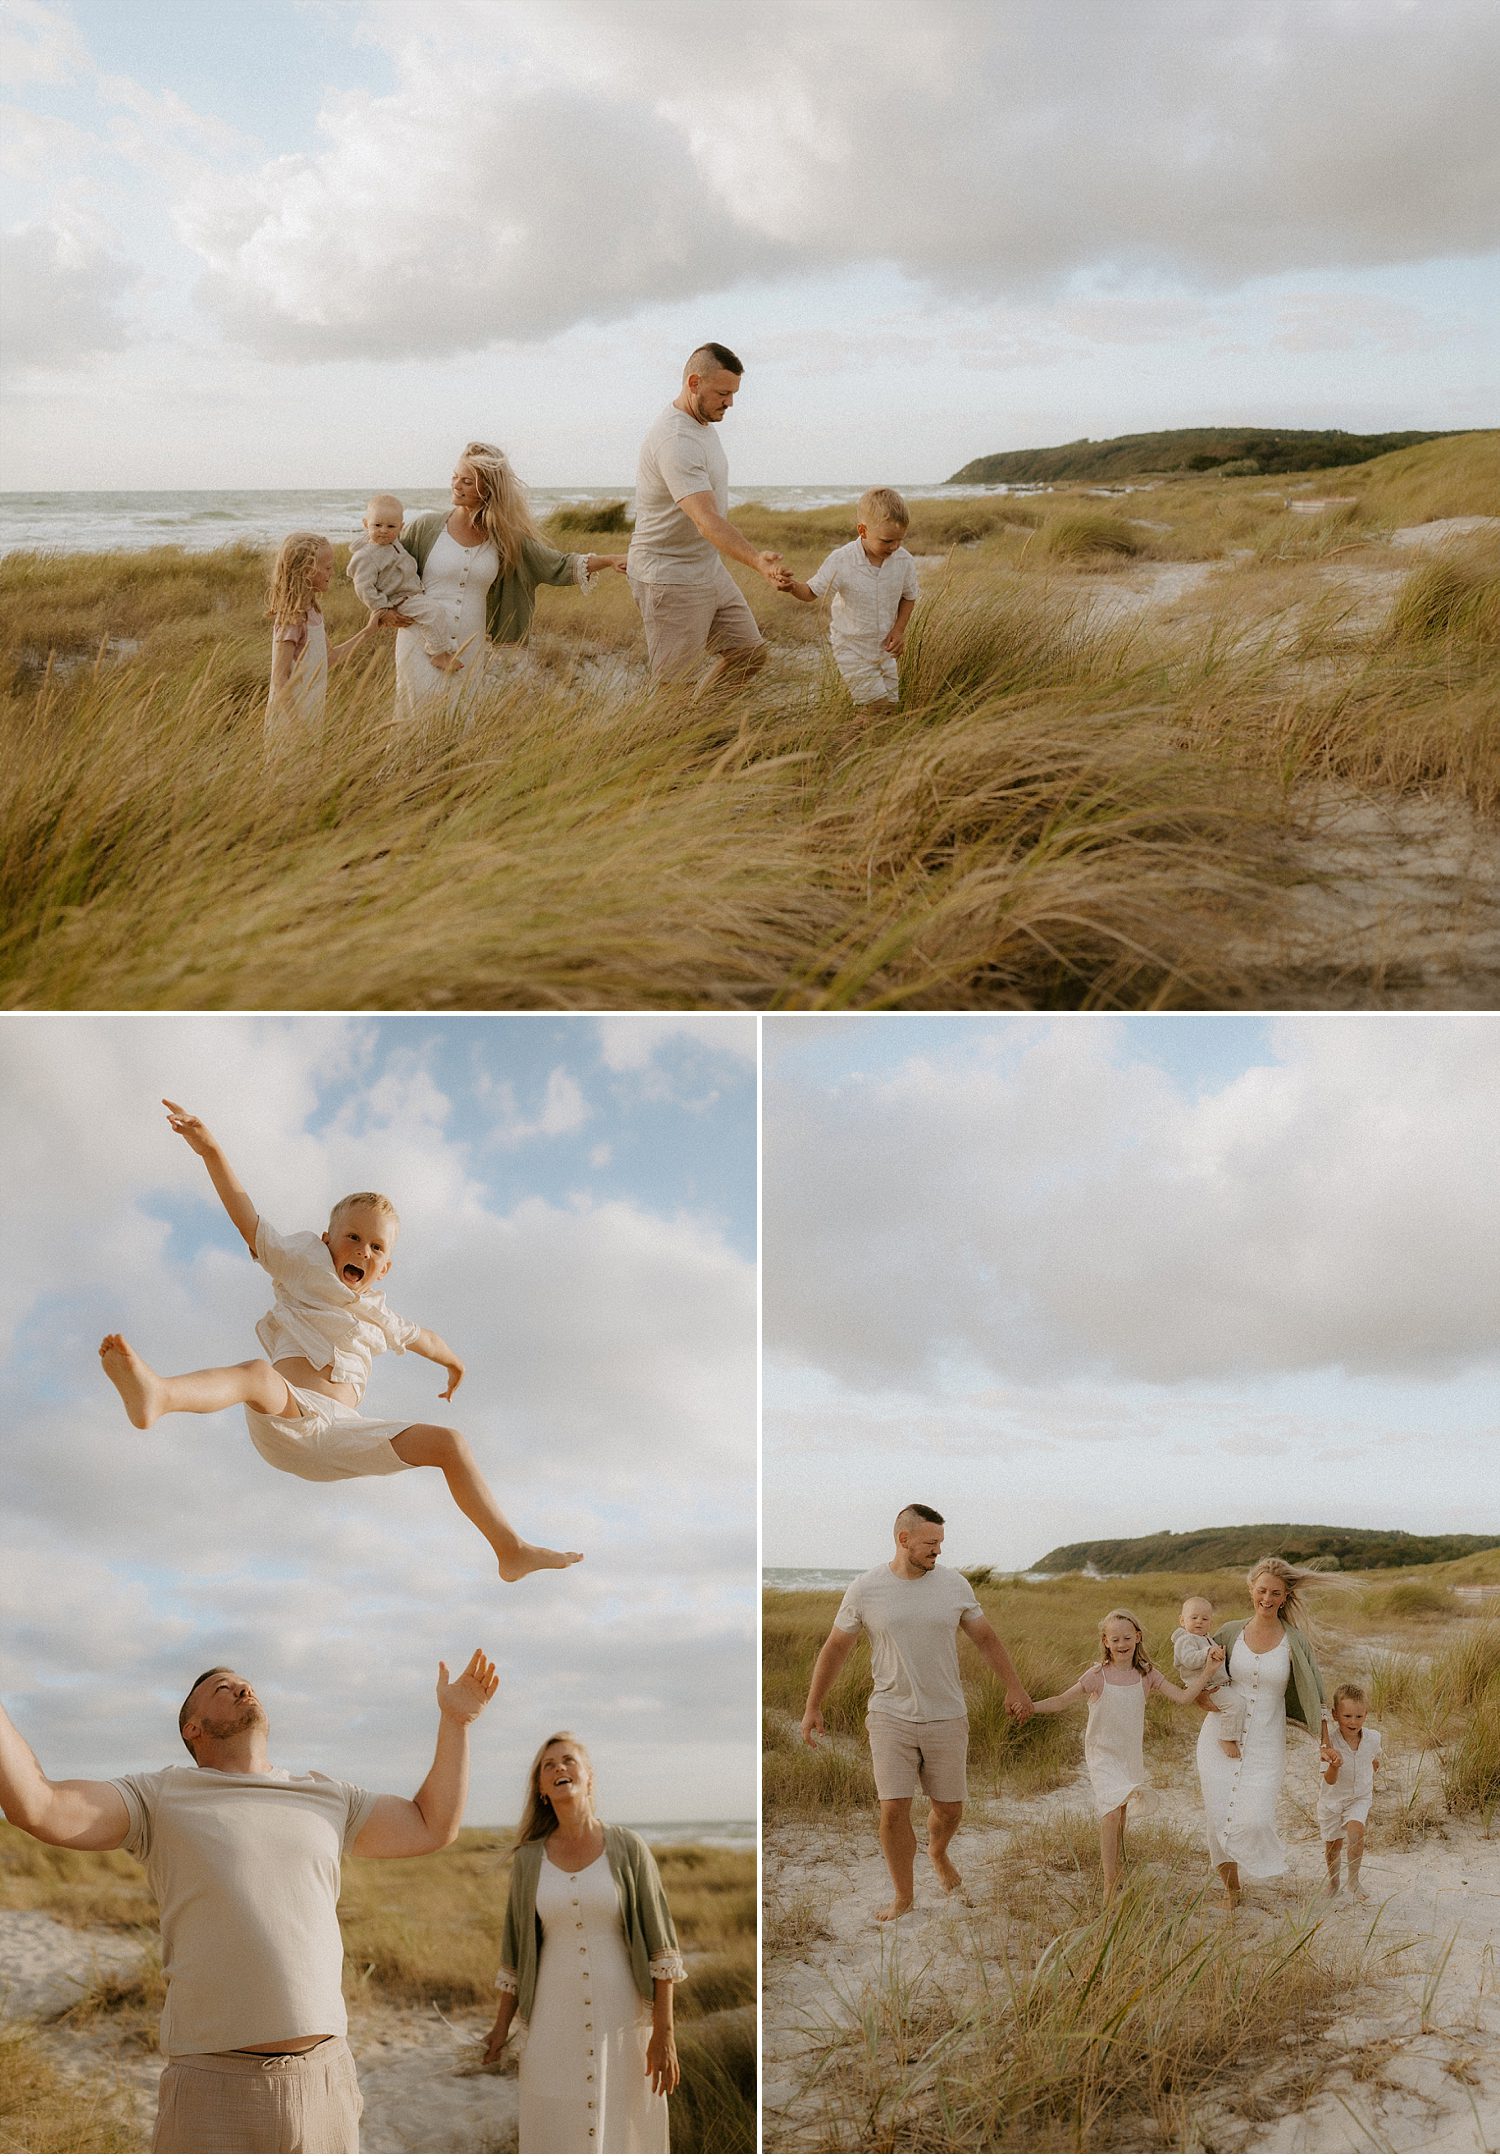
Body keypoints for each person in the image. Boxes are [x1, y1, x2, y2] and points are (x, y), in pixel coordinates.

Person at [0, 1653, 499, 2155]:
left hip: (322, 2077)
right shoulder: (160, 1796)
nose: (241, 1688)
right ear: (192, 1728)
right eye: (221, 1687)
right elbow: (39, 1806)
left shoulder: (326, 1795)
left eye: (244, 1683)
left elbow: (432, 1825)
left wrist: (455, 1722)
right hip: (214, 2083)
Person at [98, 1098, 582, 1582]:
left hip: (345, 1436)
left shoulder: (380, 1316)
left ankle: (511, 1549)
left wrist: (455, 1364)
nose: (362, 1251)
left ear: (386, 1267)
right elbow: (245, 1214)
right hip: (290, 1418)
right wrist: (210, 1152)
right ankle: (161, 1395)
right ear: (327, 1239)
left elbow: (426, 1339)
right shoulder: (300, 1264)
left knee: (451, 1442)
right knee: (255, 1374)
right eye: (352, 1237)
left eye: (376, 1248)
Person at [798, 1502, 1032, 1920]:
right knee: (893, 1808)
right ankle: (903, 1897)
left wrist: (1014, 1686)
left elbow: (986, 1639)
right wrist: (813, 1705)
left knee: (950, 1809)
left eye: (941, 1543)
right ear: (903, 1539)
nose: (938, 1551)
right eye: (931, 1542)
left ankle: (938, 1852)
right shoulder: (865, 1588)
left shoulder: (955, 1586)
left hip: (946, 1713)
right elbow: (835, 1648)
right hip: (890, 1714)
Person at [484, 1731, 685, 2154]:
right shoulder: (527, 1859)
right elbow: (514, 1950)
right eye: (548, 1765)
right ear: (541, 1789)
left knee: (626, 2119)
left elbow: (661, 1947)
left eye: (569, 1760)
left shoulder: (629, 1847)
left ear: (589, 1777)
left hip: (623, 2013)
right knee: (556, 2118)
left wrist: (663, 2030)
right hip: (551, 2015)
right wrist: (501, 2027)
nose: (559, 1768)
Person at [392, 443, 626, 723]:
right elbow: (388, 569)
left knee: (459, 721)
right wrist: (384, 611)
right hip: (420, 642)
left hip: (470, 646)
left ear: (487, 488)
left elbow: (558, 564)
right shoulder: (426, 527)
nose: (456, 485)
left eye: (467, 481)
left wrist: (610, 559)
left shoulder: (505, 539)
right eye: (455, 477)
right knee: (414, 722)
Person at [1029, 1608, 1220, 1895]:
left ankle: (1117, 1868)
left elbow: (1182, 1698)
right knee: (1110, 1814)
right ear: (1105, 1641)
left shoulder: (1147, 1675)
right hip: (1102, 1753)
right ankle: (1109, 1885)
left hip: (1129, 1756)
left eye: (1127, 1638)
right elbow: (1060, 1701)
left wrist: (1208, 1672)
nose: (1121, 1644)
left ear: (1137, 1638)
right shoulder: (1097, 1675)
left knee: (1120, 1812)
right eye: (1115, 1639)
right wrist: (1030, 1707)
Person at [626, 342, 783, 689]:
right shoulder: (676, 439)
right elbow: (705, 520)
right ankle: (670, 739)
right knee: (673, 687)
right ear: (694, 383)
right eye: (723, 393)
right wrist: (757, 561)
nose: (730, 403)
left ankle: (701, 727)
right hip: (669, 577)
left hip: (706, 569)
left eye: (734, 393)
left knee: (748, 654)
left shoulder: (702, 424)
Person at [1194, 1555, 1331, 1908]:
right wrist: (1205, 1702)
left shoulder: (1295, 1641)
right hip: (1219, 1740)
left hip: (1267, 1742)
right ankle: (1232, 1891)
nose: (1267, 1599)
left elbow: (1316, 1692)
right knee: (1217, 1817)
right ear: (1251, 1590)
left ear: (1285, 1596)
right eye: (1261, 1591)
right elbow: (1202, 1678)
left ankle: (1255, 1866)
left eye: (1275, 1593)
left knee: (1254, 1817)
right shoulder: (1228, 1632)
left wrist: (1325, 1741)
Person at [774, 486, 919, 716]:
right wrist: (792, 586)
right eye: (887, 540)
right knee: (876, 706)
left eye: (900, 540)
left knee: (889, 709)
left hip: (884, 649)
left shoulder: (904, 561)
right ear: (862, 530)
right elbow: (811, 592)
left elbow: (909, 596)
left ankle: (859, 741)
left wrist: (899, 630)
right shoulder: (841, 560)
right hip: (851, 648)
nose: (894, 547)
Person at [264, 531, 384, 743]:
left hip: (311, 713)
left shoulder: (313, 612)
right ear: (307, 571)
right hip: (290, 722)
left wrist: (368, 631)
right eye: (327, 567)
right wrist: (296, 727)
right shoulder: (292, 619)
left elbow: (330, 658)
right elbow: (279, 679)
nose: (332, 572)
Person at [346, 493, 462, 672]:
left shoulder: (393, 543)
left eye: (390, 526)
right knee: (433, 612)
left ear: (401, 527)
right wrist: (382, 609)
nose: (384, 530)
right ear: (365, 524)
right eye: (377, 525)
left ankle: (443, 646)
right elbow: (363, 586)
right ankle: (438, 653)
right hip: (398, 599)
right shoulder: (366, 555)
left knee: (434, 612)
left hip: (411, 593)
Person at [1319, 1681, 1382, 1899]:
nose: (1353, 1722)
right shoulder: (1329, 1743)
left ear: (1366, 1714)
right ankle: (1334, 1881)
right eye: (1347, 1716)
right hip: (1333, 1799)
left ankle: (1353, 1882)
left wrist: (1371, 1770)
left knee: (1357, 1831)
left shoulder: (1373, 1738)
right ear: (1335, 1715)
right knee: (1333, 1844)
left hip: (1360, 1797)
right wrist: (1335, 1765)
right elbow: (1328, 1780)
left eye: (1358, 1716)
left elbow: (1375, 1759)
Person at [1172, 1594, 1246, 1758]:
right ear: (1182, 1621)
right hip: (1206, 1686)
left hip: (1215, 1683)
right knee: (1236, 1704)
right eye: (1194, 1617)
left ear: (1210, 1623)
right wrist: (1208, 1653)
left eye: (1205, 1619)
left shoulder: (1206, 1639)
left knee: (1235, 1703)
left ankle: (1232, 1732)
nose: (1199, 1621)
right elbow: (1189, 1660)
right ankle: (1227, 1738)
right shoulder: (1185, 1640)